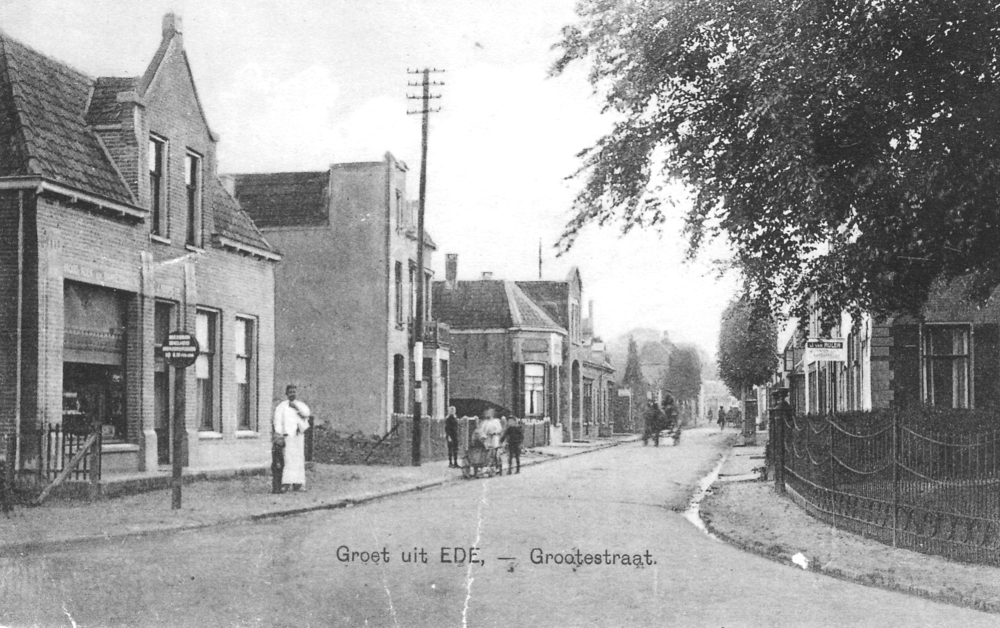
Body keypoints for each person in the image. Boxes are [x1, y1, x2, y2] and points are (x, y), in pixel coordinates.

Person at [273, 385, 311, 492]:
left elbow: (306, 414)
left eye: (294, 392)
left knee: (298, 459)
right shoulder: (281, 406)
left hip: (298, 436)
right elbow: (277, 421)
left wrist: (296, 408)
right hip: (288, 436)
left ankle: (298, 483)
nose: (292, 394)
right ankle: (286, 483)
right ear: (286, 393)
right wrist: (279, 434)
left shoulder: (301, 405)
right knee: (288, 459)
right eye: (290, 392)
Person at [481, 409, 504, 474]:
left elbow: (500, 430)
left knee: (495, 454)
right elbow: (482, 430)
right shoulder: (485, 422)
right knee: (488, 454)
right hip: (488, 439)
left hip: (495, 438)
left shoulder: (496, 421)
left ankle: (498, 466)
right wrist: (484, 436)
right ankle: (489, 467)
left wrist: (495, 432)